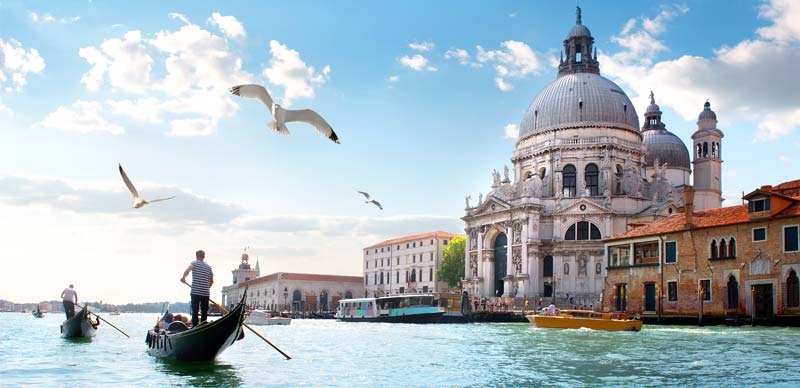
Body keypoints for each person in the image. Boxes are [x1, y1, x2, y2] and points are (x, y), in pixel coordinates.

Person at [181, 250, 214, 327]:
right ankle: (203, 326)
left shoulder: (194, 263)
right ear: (204, 256)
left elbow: (187, 270)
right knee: (204, 311)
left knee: (195, 310)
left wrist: (183, 278)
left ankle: (195, 326)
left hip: (195, 292)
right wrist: (205, 287)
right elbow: (212, 281)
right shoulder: (208, 267)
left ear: (196, 256)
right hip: (206, 292)